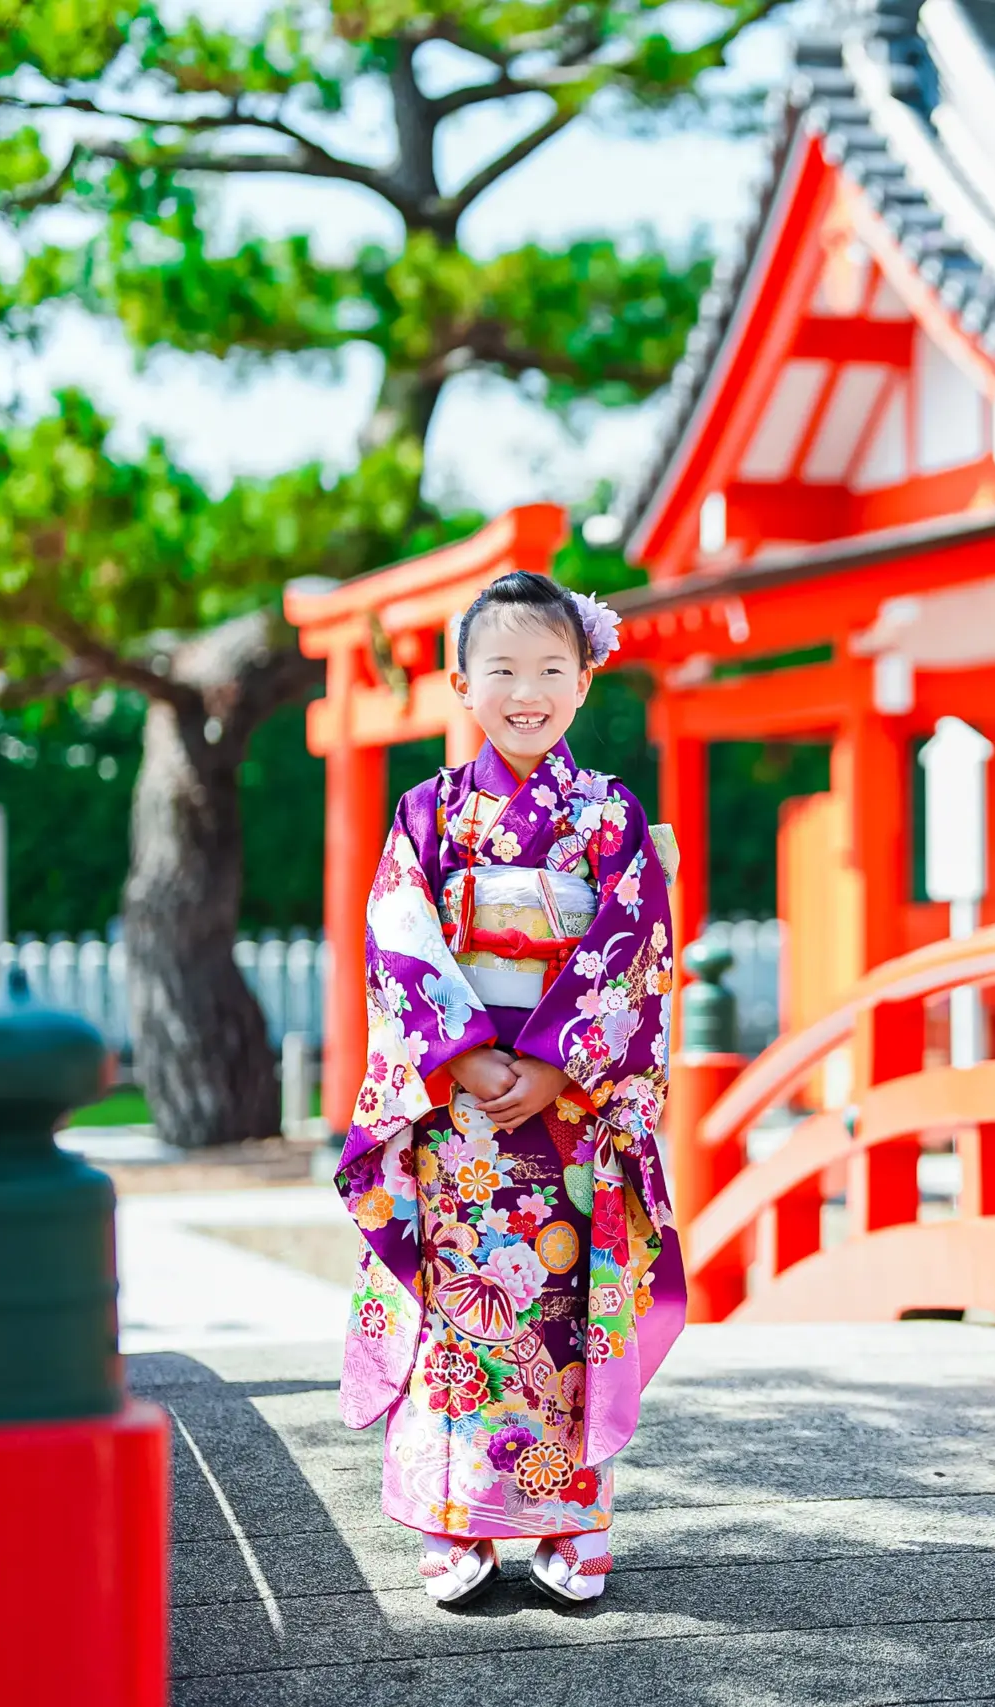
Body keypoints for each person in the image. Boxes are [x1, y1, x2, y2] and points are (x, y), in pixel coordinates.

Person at [332, 569, 685, 1606]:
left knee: (576, 1310)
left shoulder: (611, 816)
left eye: (550, 669)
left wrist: (552, 1062)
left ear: (585, 682)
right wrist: (465, 1056)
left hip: (570, 1113)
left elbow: (638, 946)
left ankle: (571, 1524)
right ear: (460, 681)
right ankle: (459, 1528)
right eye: (502, 669)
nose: (526, 689)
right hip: (462, 1114)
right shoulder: (428, 812)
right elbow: (398, 936)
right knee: (462, 1310)